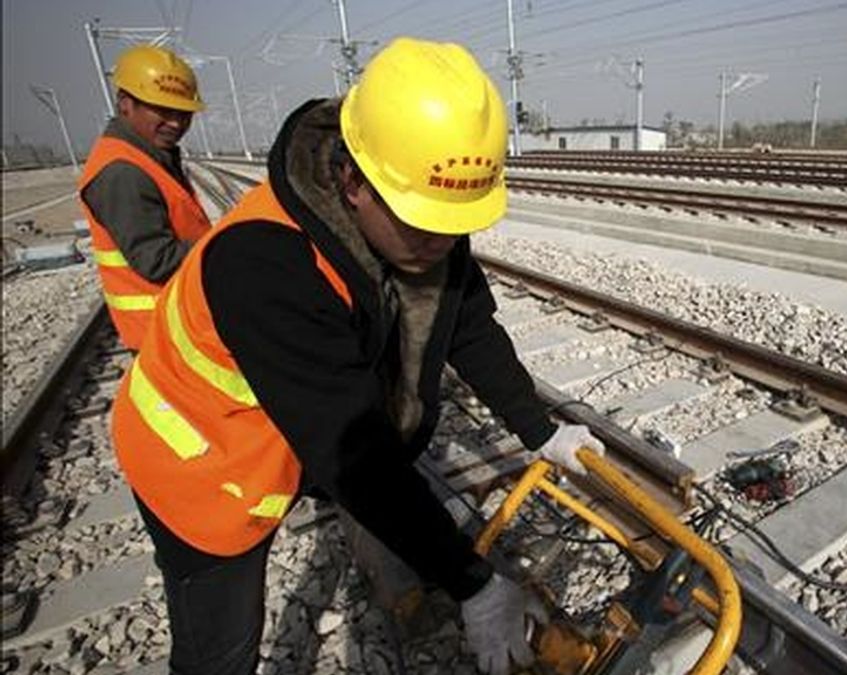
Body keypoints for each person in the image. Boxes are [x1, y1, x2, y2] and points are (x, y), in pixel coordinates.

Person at [108, 37, 605, 675]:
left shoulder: (420, 210)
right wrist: (475, 585)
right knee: (222, 646)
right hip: (197, 462)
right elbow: (355, 455)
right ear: (350, 179)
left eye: (456, 223)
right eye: (421, 222)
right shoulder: (263, 264)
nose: (441, 241)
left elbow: (467, 323)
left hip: (277, 432)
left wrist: (542, 431)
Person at [78, 43, 211, 350]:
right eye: (163, 111)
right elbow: (157, 261)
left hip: (179, 320)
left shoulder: (148, 156)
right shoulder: (122, 172)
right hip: (165, 332)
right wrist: (226, 245)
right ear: (126, 103)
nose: (176, 123)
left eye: (184, 113)